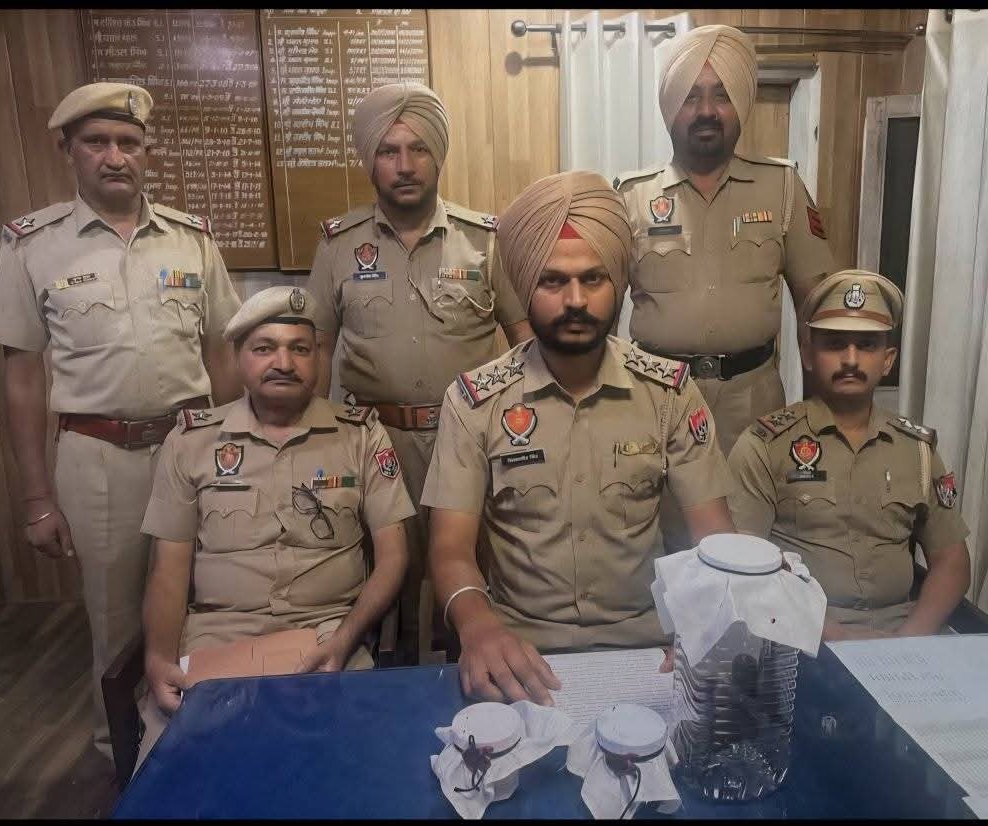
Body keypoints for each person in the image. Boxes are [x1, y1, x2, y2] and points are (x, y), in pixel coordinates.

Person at [422, 171, 738, 705]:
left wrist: (702, 626)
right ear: (525, 287)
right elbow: (450, 549)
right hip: (521, 651)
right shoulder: (475, 401)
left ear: (619, 284)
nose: (575, 300)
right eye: (552, 281)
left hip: (649, 648)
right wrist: (478, 627)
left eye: (593, 279)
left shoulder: (670, 394)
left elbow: (713, 537)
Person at [0, 82, 242, 760]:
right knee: (113, 615)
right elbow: (22, 375)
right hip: (97, 455)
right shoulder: (32, 245)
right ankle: (122, 753)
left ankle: (201, 730)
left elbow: (222, 351)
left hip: (191, 447)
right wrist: (36, 497)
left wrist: (231, 446)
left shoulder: (191, 240)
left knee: (209, 596)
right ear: (68, 151)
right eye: (96, 142)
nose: (114, 156)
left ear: (146, 152)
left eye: (129, 143)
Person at [136, 286, 412, 767]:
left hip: (329, 637)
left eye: (300, 349)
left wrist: (346, 638)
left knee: (353, 770)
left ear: (318, 358)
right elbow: (168, 571)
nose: (283, 362)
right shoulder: (191, 442)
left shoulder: (362, 434)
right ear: (238, 358)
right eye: (264, 348)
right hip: (217, 640)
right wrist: (158, 660)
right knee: (183, 774)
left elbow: (393, 556)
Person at [306, 82, 532, 665]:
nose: (404, 165)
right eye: (388, 151)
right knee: (388, 583)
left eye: (418, 149)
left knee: (477, 570)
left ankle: (476, 682)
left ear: (439, 155)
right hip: (375, 444)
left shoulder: (484, 241)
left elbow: (526, 340)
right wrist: (315, 445)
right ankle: (394, 684)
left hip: (472, 439)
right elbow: (317, 351)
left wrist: (527, 432)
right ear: (370, 160)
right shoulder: (338, 245)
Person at [615, 25, 835, 457]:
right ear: (671, 107)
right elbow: (600, 316)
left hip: (755, 408)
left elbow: (817, 312)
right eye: (691, 97)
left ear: (740, 104)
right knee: (656, 504)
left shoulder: (782, 187)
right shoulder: (632, 197)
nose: (707, 111)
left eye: (721, 95)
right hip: (656, 404)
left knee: (751, 504)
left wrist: (816, 416)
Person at [727, 271, 971, 639]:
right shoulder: (764, 445)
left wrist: (910, 640)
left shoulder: (917, 450)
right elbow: (742, 567)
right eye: (835, 344)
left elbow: (952, 561)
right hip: (801, 637)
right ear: (808, 354)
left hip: (903, 635)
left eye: (867, 345)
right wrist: (837, 638)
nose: (851, 359)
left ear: (888, 359)